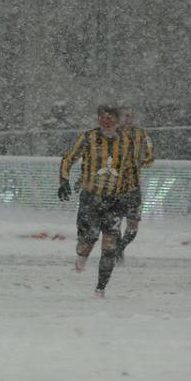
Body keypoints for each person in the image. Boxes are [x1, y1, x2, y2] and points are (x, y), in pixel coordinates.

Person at [59, 105, 138, 297]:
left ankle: (100, 288)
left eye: (110, 119)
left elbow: (131, 170)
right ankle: (82, 256)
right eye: (103, 118)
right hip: (91, 199)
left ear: (118, 122)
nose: (106, 121)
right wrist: (64, 181)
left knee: (110, 245)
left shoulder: (127, 141)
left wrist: (133, 196)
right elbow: (68, 159)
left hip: (115, 201)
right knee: (89, 238)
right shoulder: (88, 138)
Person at [115, 105, 154, 264]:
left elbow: (150, 156)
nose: (128, 119)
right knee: (114, 224)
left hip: (133, 187)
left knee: (133, 226)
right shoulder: (111, 135)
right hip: (114, 188)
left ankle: (120, 248)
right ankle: (117, 255)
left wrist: (140, 163)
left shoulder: (142, 134)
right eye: (125, 116)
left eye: (130, 116)